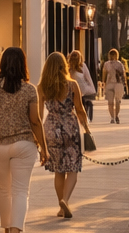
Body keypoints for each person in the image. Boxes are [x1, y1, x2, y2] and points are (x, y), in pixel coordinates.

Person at [0, 46, 48, 233]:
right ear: (23, 65)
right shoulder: (29, 90)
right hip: (24, 145)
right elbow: (35, 121)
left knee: (4, 189)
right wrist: (44, 148)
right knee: (20, 191)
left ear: (2, 64)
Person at [38, 52, 90, 219]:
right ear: (64, 66)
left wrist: (38, 140)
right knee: (73, 168)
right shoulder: (72, 85)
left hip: (51, 128)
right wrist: (87, 129)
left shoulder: (42, 87)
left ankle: (61, 207)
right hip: (70, 128)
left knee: (58, 171)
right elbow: (80, 110)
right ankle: (65, 201)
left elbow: (38, 116)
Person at [68, 49, 97, 122]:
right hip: (78, 89)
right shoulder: (76, 66)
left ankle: (81, 118)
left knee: (78, 103)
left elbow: (88, 78)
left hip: (78, 90)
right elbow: (88, 78)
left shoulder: (72, 67)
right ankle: (82, 117)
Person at [100, 50, 127, 124]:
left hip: (111, 84)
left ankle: (113, 117)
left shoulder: (107, 64)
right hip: (117, 84)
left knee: (112, 102)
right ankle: (114, 116)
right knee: (115, 101)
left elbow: (104, 74)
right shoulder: (119, 64)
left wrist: (103, 83)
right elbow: (123, 75)